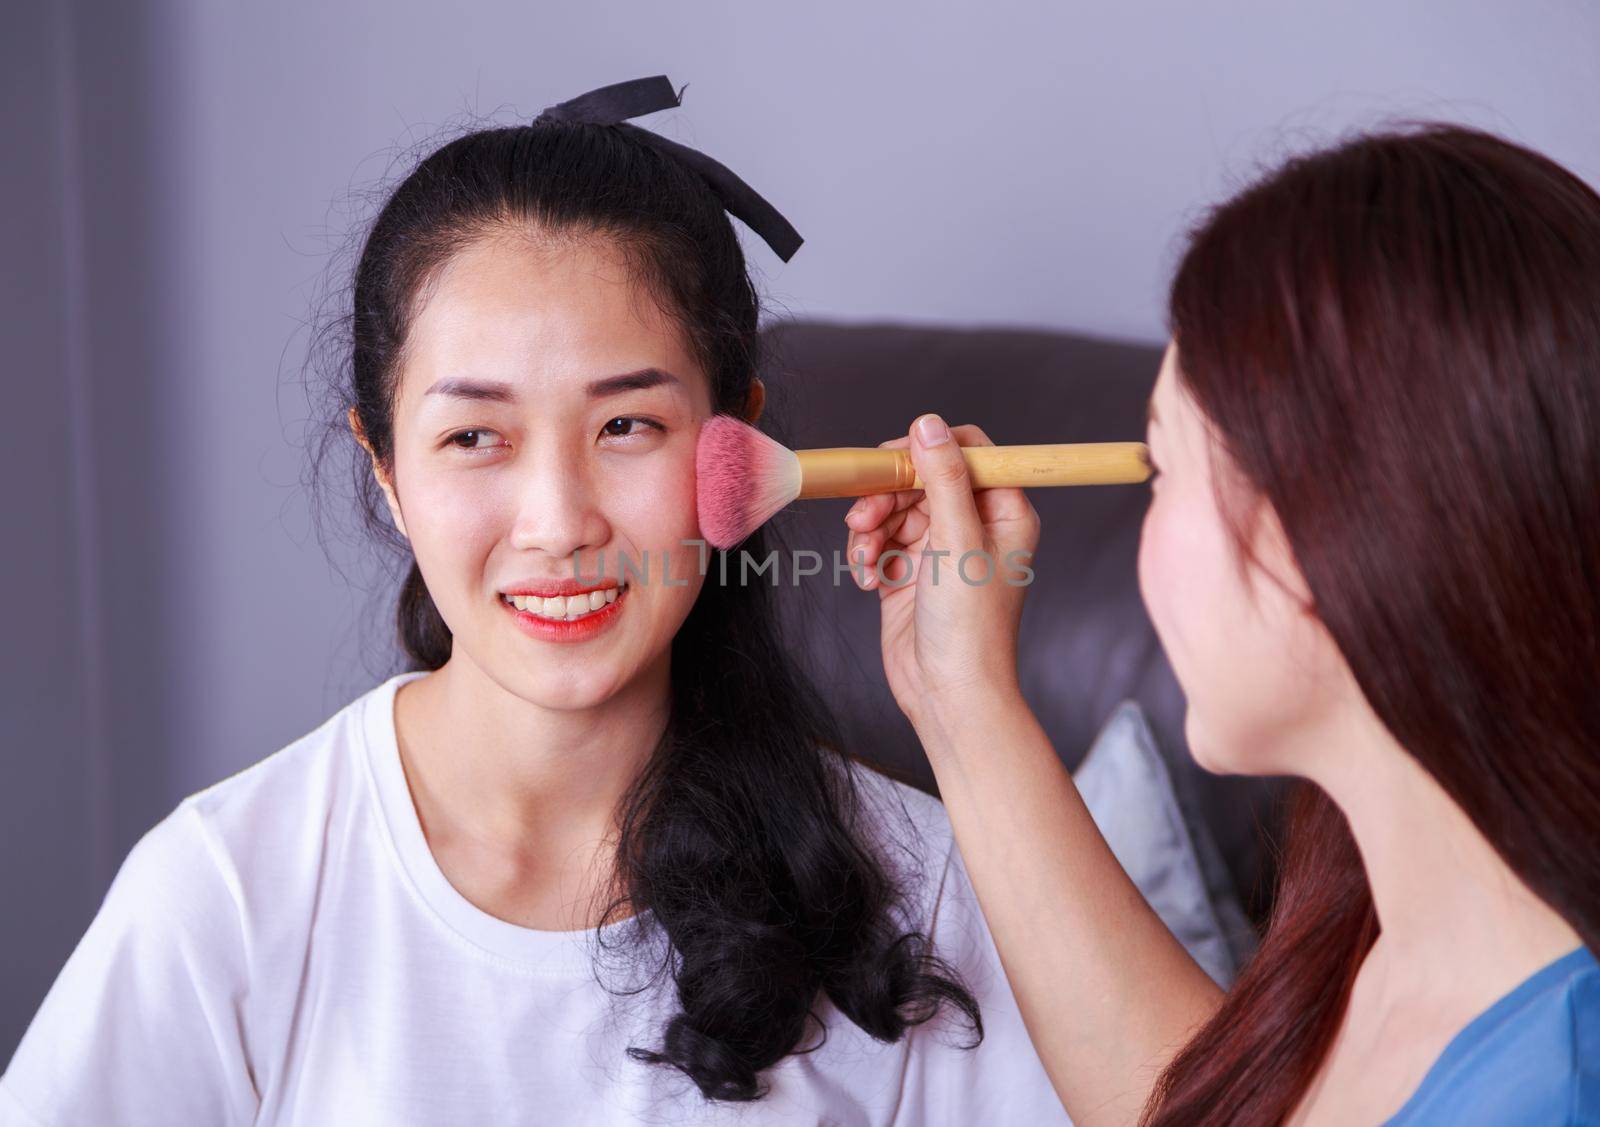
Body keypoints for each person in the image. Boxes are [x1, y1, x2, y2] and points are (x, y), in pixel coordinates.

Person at [0, 77, 1066, 1126]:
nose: (557, 522)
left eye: (626, 427)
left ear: (735, 441)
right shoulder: (230, 893)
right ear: (385, 466)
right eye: (474, 437)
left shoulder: (914, 887)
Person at [843, 123, 1600, 1125]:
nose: (1141, 529)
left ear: (1322, 530)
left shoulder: (1554, 1082)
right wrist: (958, 692)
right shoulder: (1407, 937)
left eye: (1164, 468)